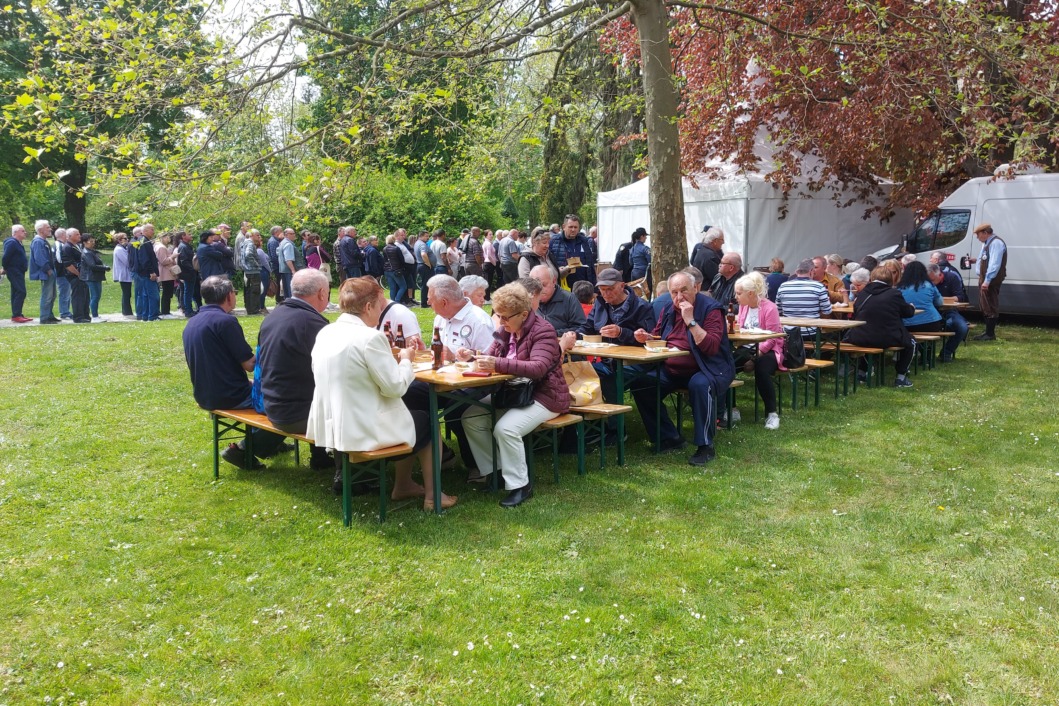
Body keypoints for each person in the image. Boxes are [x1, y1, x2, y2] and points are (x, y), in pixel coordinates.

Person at [306, 276, 457, 511]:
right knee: (428, 422)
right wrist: (406, 360)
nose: (381, 311)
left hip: (333, 426)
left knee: (414, 416)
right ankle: (433, 495)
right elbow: (396, 387)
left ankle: (404, 485)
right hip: (363, 430)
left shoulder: (326, 332)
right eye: (379, 305)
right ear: (368, 307)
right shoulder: (370, 337)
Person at [458, 284, 568, 507]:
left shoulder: (544, 331)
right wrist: (472, 357)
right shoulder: (505, 330)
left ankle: (520, 486)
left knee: (506, 429)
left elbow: (538, 368)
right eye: (498, 315)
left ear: (524, 314)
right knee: (470, 417)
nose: (501, 321)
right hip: (514, 393)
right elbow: (489, 356)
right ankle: (496, 472)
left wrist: (497, 363)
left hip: (546, 395)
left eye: (505, 317)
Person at [631, 271, 735, 466]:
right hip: (673, 369)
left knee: (699, 385)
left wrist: (690, 321)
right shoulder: (669, 309)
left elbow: (711, 347)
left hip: (707, 367)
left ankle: (705, 446)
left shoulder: (711, 309)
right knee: (642, 384)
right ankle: (669, 437)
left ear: (696, 288)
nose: (679, 297)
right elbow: (659, 335)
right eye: (674, 292)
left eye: (684, 290)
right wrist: (647, 337)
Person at [182, 276, 286, 468]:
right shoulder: (225, 321)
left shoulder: (192, 322)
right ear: (229, 296)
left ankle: (272, 444)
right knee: (285, 403)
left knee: (267, 392)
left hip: (205, 393)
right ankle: (243, 450)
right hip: (231, 395)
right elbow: (249, 364)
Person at [257, 270, 335, 472]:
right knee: (350, 404)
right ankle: (350, 474)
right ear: (321, 293)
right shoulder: (312, 323)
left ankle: (322, 457)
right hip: (295, 414)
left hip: (271, 403)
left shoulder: (274, 316)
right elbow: (335, 371)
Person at [560, 267, 656, 412]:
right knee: (577, 374)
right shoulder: (600, 303)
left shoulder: (641, 307)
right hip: (608, 362)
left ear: (622, 286)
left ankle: (614, 422)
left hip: (635, 363)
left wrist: (622, 332)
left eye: (610, 289)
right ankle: (589, 419)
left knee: (608, 379)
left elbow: (651, 339)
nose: (605, 293)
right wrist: (575, 334)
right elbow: (588, 327)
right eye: (602, 289)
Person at [843, 265, 916, 388]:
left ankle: (862, 373)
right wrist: (912, 307)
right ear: (890, 279)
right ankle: (901, 377)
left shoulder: (863, 293)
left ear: (872, 278)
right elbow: (907, 313)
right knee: (911, 342)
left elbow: (856, 313)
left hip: (860, 337)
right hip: (886, 337)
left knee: (867, 341)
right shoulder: (894, 294)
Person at [733, 272, 784, 430]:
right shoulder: (743, 307)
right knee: (727, 364)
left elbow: (772, 338)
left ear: (750, 293)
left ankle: (772, 414)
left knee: (762, 369)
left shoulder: (770, 308)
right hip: (747, 347)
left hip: (769, 349)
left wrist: (754, 358)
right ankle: (732, 408)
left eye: (739, 293)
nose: (736, 297)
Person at [775, 258, 832, 337]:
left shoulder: (783, 286)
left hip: (788, 333)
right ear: (811, 271)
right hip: (811, 333)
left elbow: (778, 310)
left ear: (797, 271)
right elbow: (827, 311)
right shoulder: (818, 286)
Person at [971, 222, 1006, 341]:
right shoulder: (987, 243)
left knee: (990, 305)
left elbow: (994, 263)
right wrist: (976, 261)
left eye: (978, 235)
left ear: (985, 233)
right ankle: (988, 332)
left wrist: (987, 281)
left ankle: (990, 334)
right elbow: (986, 259)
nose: (977, 237)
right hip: (985, 279)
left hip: (990, 280)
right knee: (985, 305)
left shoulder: (996, 243)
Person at [927, 262, 968, 362]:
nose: (931, 283)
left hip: (949, 310)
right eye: (929, 280)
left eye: (932, 280)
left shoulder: (952, 277)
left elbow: (960, 297)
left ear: (940, 275)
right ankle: (926, 355)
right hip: (930, 312)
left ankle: (946, 352)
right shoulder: (925, 281)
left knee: (962, 327)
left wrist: (940, 299)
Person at [530, 264, 586, 335]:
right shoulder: (528, 299)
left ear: (554, 281)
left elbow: (581, 328)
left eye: (544, 285)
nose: (540, 290)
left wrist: (554, 333)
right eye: (536, 286)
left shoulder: (569, 299)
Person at [548, 214, 596, 287]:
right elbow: (548, 263)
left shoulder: (584, 241)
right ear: (564, 227)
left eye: (575, 227)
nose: (573, 229)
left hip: (581, 286)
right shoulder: (554, 241)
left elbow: (591, 265)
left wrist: (594, 287)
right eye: (570, 227)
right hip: (562, 286)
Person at [898, 260, 943, 332]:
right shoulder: (929, 285)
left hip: (908, 323)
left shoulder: (900, 288)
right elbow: (939, 302)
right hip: (931, 321)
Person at [30, 220, 59, 324]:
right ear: (41, 230)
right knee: (47, 295)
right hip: (46, 272)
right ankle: (44, 318)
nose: (50, 229)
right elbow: (39, 258)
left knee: (52, 295)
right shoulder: (38, 242)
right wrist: (48, 269)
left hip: (50, 271)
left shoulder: (43, 241)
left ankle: (50, 315)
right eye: (47, 227)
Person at [60, 228, 91, 323]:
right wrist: (78, 274)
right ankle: (78, 317)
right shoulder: (67, 247)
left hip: (83, 275)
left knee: (85, 295)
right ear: (69, 236)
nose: (79, 236)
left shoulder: (77, 246)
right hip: (74, 276)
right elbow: (68, 264)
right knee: (78, 296)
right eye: (77, 234)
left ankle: (85, 315)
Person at [2, 224, 31, 323]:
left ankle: (17, 314)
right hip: (14, 270)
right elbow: (6, 257)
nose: (25, 232)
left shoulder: (18, 243)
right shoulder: (12, 242)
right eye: (22, 231)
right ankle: (16, 315)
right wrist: (5, 268)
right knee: (21, 291)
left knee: (15, 291)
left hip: (19, 270)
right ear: (15, 232)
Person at [79, 233, 109, 320]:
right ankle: (94, 316)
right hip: (91, 277)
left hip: (96, 277)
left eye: (93, 241)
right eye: (90, 241)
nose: (93, 243)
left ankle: (96, 315)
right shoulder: (87, 252)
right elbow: (92, 265)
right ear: (84, 242)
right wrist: (104, 267)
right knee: (95, 296)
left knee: (97, 296)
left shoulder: (91, 251)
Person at [175, 231, 199, 318]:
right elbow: (184, 261)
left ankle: (189, 310)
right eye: (189, 234)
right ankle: (188, 311)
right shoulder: (183, 247)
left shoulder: (187, 246)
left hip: (190, 273)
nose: (191, 235)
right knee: (188, 292)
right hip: (187, 273)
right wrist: (193, 269)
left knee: (189, 291)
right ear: (183, 236)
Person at [240, 228, 263, 315]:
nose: (259, 237)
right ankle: (254, 310)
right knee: (255, 291)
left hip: (247, 271)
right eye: (257, 235)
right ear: (252, 235)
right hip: (253, 271)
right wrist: (256, 264)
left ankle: (249, 309)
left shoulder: (244, 242)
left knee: (248, 291)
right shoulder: (250, 243)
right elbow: (248, 254)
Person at [155, 233, 178, 318]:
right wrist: (173, 257)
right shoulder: (161, 247)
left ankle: (166, 310)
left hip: (166, 272)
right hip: (165, 273)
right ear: (162, 238)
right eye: (167, 237)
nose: (169, 239)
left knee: (168, 292)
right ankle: (165, 311)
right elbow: (163, 261)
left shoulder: (160, 246)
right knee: (167, 292)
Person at [382, 233, 408, 304]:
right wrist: (403, 267)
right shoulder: (396, 248)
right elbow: (401, 259)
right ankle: (397, 300)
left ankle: (392, 302)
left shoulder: (384, 249)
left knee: (392, 288)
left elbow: (384, 259)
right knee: (403, 286)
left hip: (387, 270)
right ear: (394, 239)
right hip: (396, 270)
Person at [53, 228, 72, 319]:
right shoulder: (59, 245)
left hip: (64, 273)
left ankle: (66, 311)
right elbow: (59, 259)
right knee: (64, 292)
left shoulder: (62, 244)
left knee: (67, 292)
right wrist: (68, 265)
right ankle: (64, 312)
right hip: (62, 273)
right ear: (63, 235)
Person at [413, 230, 433, 308]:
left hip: (420, 265)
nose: (428, 238)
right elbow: (423, 254)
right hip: (424, 266)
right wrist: (428, 263)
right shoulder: (422, 244)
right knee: (426, 284)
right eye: (426, 236)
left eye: (428, 236)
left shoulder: (417, 243)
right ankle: (425, 303)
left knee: (425, 284)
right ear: (421, 236)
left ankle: (425, 302)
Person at [277, 227, 298, 300]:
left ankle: (288, 304)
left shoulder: (282, 243)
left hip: (284, 270)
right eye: (292, 234)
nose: (294, 235)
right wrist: (293, 270)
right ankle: (292, 305)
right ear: (286, 235)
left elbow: (278, 253)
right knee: (291, 291)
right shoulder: (288, 244)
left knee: (287, 291)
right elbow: (288, 259)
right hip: (288, 271)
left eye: (294, 233)